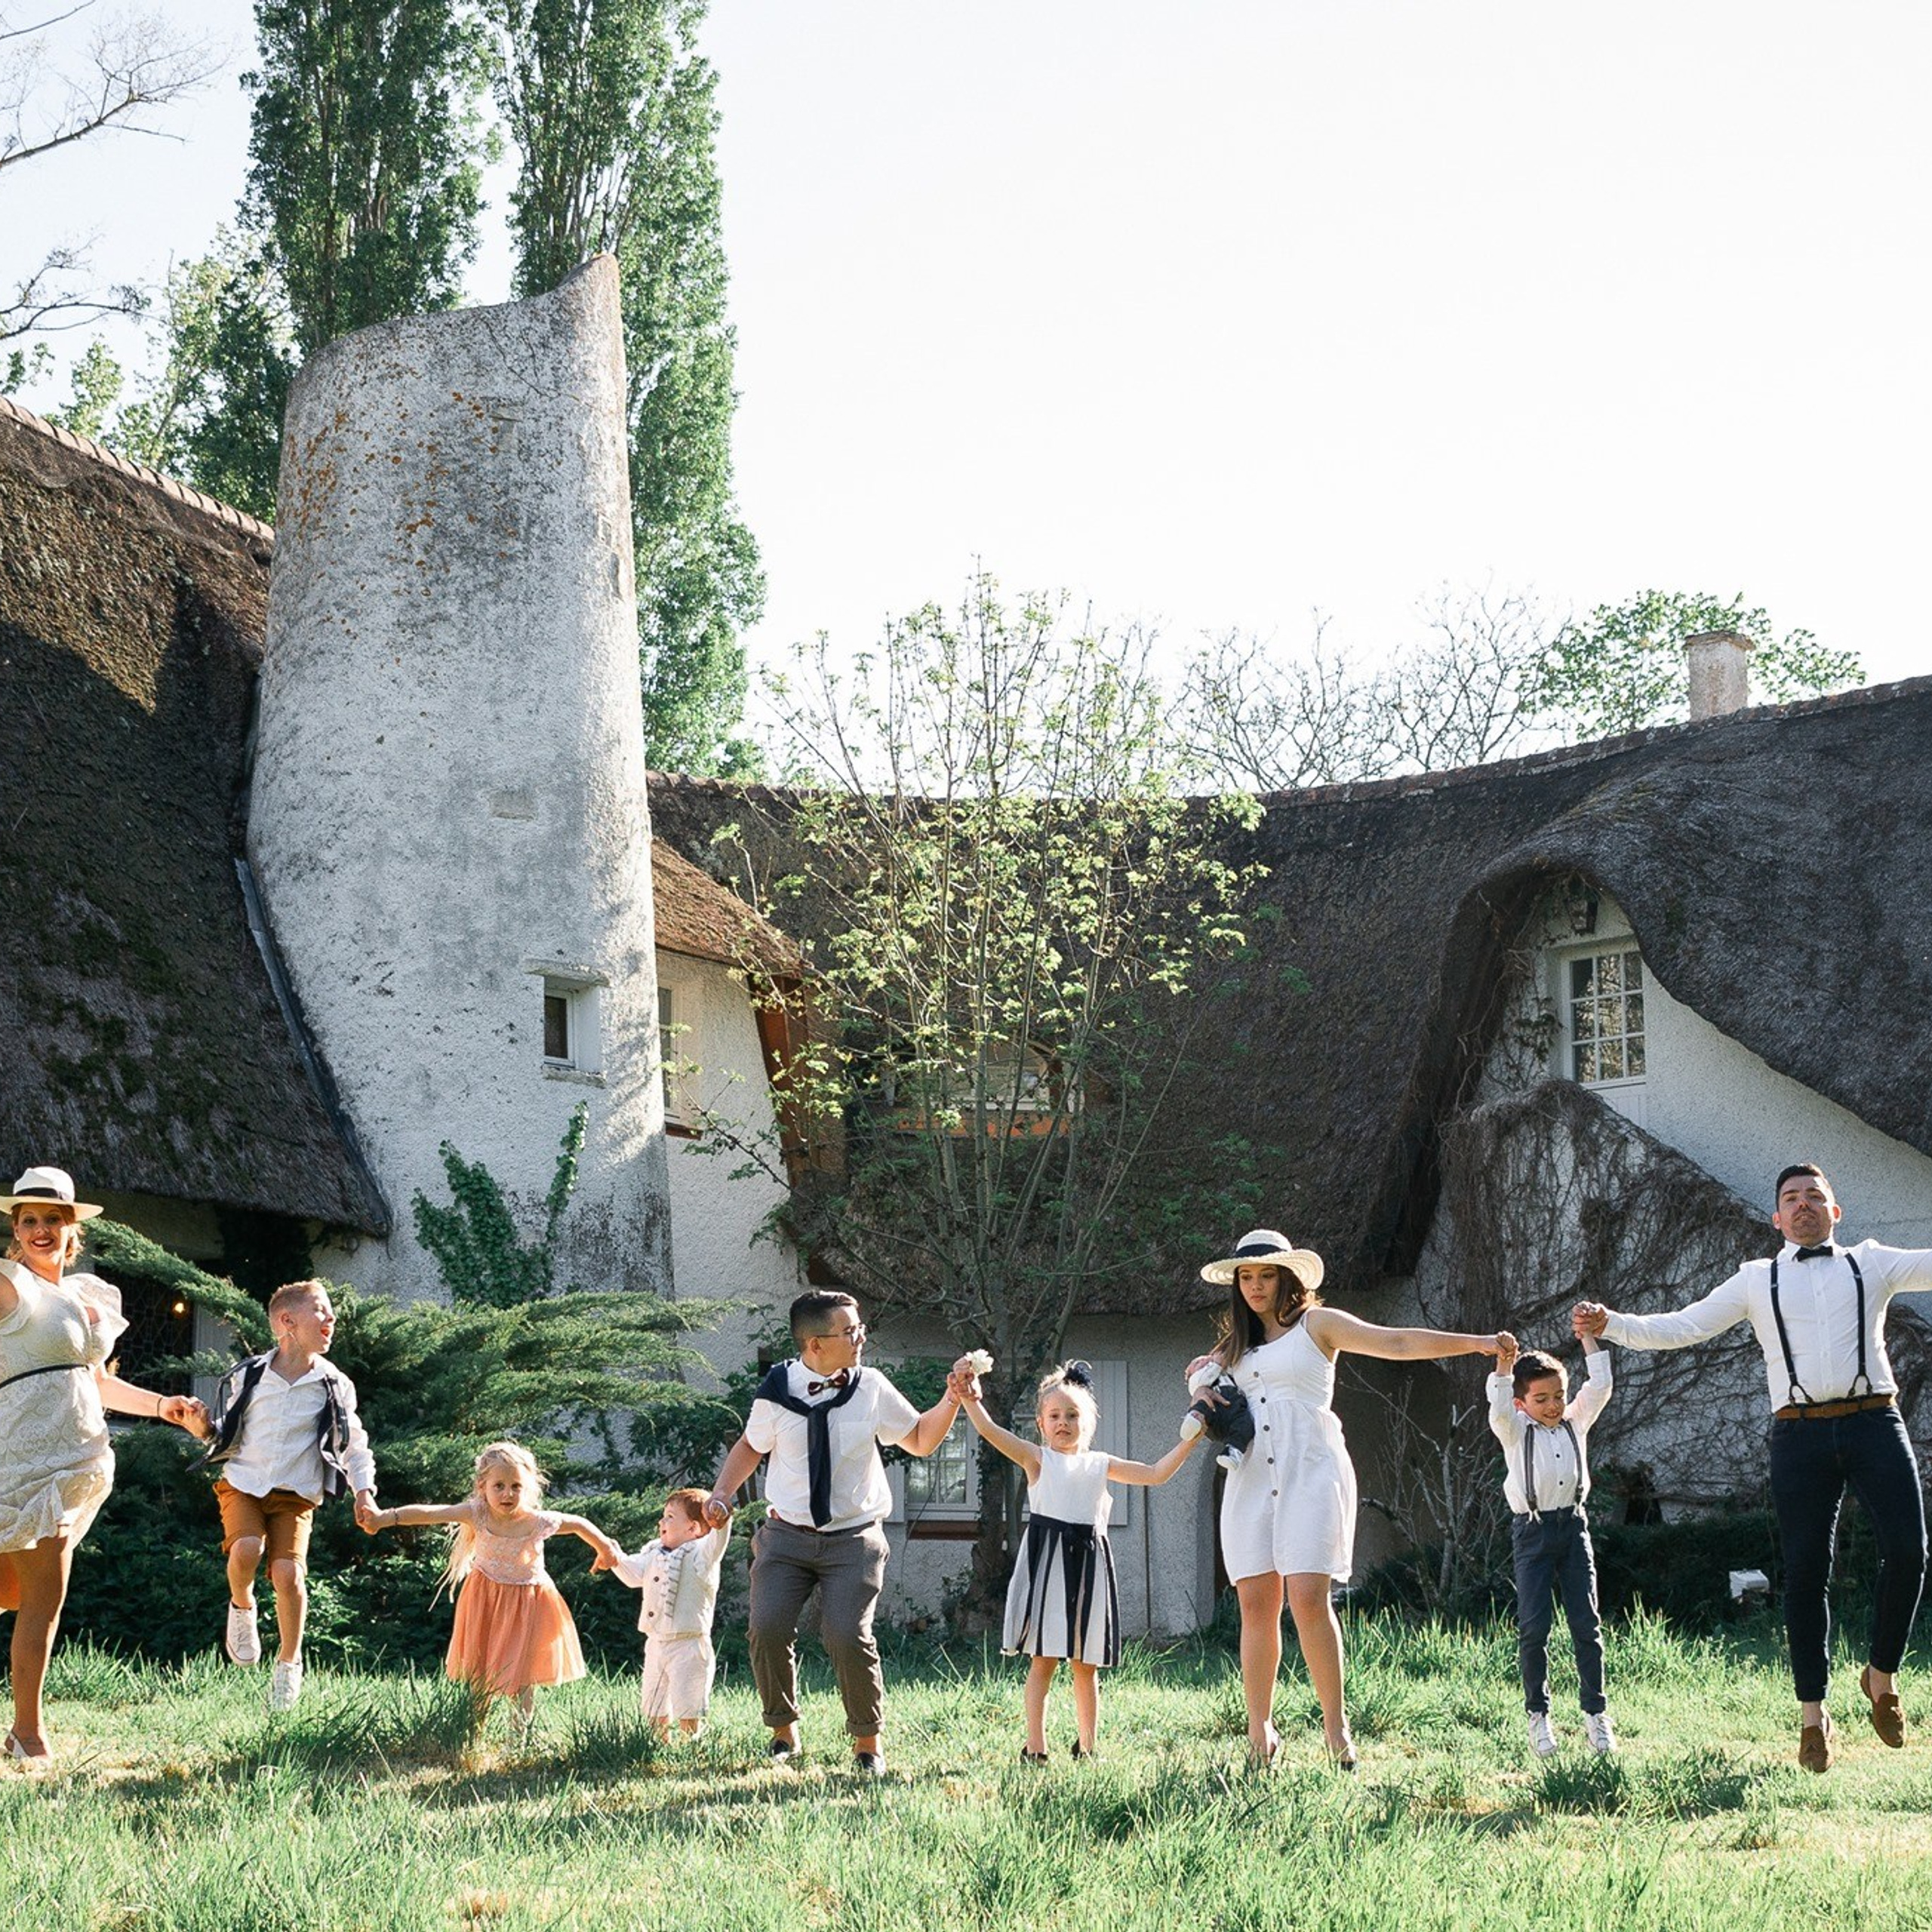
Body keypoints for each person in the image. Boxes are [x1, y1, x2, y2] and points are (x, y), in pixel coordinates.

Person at [1575, 1162, 1932, 1773]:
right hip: (1798, 1435)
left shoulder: (1870, 1262)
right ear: (1776, 1218)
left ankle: (1880, 1673)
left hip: (1875, 1421)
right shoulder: (1755, 1280)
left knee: (1908, 1550)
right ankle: (1813, 1717)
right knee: (1804, 1572)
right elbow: (1683, 1327)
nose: (1803, 1206)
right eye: (1791, 1199)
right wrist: (1614, 1326)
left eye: (1815, 1196)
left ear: (1835, 1212)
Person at [1192, 1228, 1511, 1769]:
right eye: (1246, 1276)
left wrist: (1475, 1344)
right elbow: (1203, 1383)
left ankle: (1336, 1728)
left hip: (1310, 1469)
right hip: (1251, 1476)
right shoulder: (1234, 1348)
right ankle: (1259, 1731)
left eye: (1266, 1274)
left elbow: (1396, 1342)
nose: (1255, 1285)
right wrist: (1201, 1383)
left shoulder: (1319, 1324)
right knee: (1255, 1604)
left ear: (1288, 1277)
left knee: (1308, 1597)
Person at [703, 1288, 967, 1775]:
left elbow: (921, 1441)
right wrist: (721, 1495)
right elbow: (750, 1446)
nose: (860, 1336)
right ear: (815, 1345)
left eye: (859, 1327)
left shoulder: (871, 1388)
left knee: (847, 1634)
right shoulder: (776, 1390)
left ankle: (868, 1745)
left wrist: (953, 1397)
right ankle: (783, 1732)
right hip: (785, 1537)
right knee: (767, 1628)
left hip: (853, 1539)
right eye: (849, 1331)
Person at [0, 1166, 204, 1761]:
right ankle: (28, 1736)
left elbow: (93, 1382)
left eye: (54, 1219)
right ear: (16, 1228)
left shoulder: (81, 1296)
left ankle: (24, 1732)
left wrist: (166, 1406)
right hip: (24, 1459)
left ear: (72, 1232)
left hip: (75, 1459)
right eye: (30, 1219)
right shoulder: (10, 1285)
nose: (42, 1229)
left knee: (38, 1595)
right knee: (34, 1596)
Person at [952, 1355, 1202, 1761]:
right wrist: (970, 1397)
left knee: (1086, 1667)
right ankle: (1035, 1747)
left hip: (1089, 1567)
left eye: (1072, 1414)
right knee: (1044, 1661)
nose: (1063, 1422)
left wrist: (1193, 1437)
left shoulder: (1101, 1465)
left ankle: (1087, 1747)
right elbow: (990, 1430)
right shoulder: (1037, 1459)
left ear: (1089, 1423)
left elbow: (1156, 1473)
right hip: (1047, 1567)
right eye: (1054, 1415)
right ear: (1041, 1423)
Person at [186, 1278, 379, 1712]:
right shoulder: (250, 1375)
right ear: (287, 1322)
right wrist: (202, 1429)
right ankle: (242, 1606)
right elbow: (226, 1435)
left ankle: (289, 1664)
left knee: (289, 1577)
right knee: (247, 1549)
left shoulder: (333, 1384)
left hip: (296, 1494)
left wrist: (363, 1493)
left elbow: (354, 1444)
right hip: (244, 1484)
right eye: (322, 1311)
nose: (332, 1319)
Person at [365, 1440, 622, 1734]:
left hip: (528, 1602)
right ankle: (474, 1731)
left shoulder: (537, 1521)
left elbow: (578, 1524)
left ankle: (520, 1736)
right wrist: (386, 1518)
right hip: (484, 1599)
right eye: (499, 1486)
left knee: (523, 1673)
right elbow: (432, 1513)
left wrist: (605, 1549)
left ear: (528, 1489)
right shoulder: (477, 1513)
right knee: (480, 1668)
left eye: (516, 1486)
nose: (507, 1494)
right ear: (482, 1486)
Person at [1488, 1333, 1616, 1758]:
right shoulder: (1514, 1430)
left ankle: (1596, 1716)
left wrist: (1589, 1340)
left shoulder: (1575, 1422)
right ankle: (1539, 1718)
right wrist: (1505, 1364)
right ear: (1523, 1404)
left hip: (1574, 1528)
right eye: (1541, 1399)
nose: (1553, 1405)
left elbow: (1599, 1387)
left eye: (1558, 1395)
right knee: (1534, 1628)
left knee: (1587, 1625)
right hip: (1533, 1531)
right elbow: (1500, 1406)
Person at [601, 1487, 731, 1739]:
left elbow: (717, 1542)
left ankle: (689, 1743)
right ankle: (654, 1743)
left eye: (670, 1517)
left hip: (690, 1645)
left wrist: (721, 1520)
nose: (662, 1521)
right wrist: (614, 1558)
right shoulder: (652, 1553)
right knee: (654, 1700)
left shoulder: (701, 1555)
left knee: (688, 1701)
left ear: (693, 1529)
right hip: (656, 1643)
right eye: (663, 1515)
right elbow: (632, 1575)